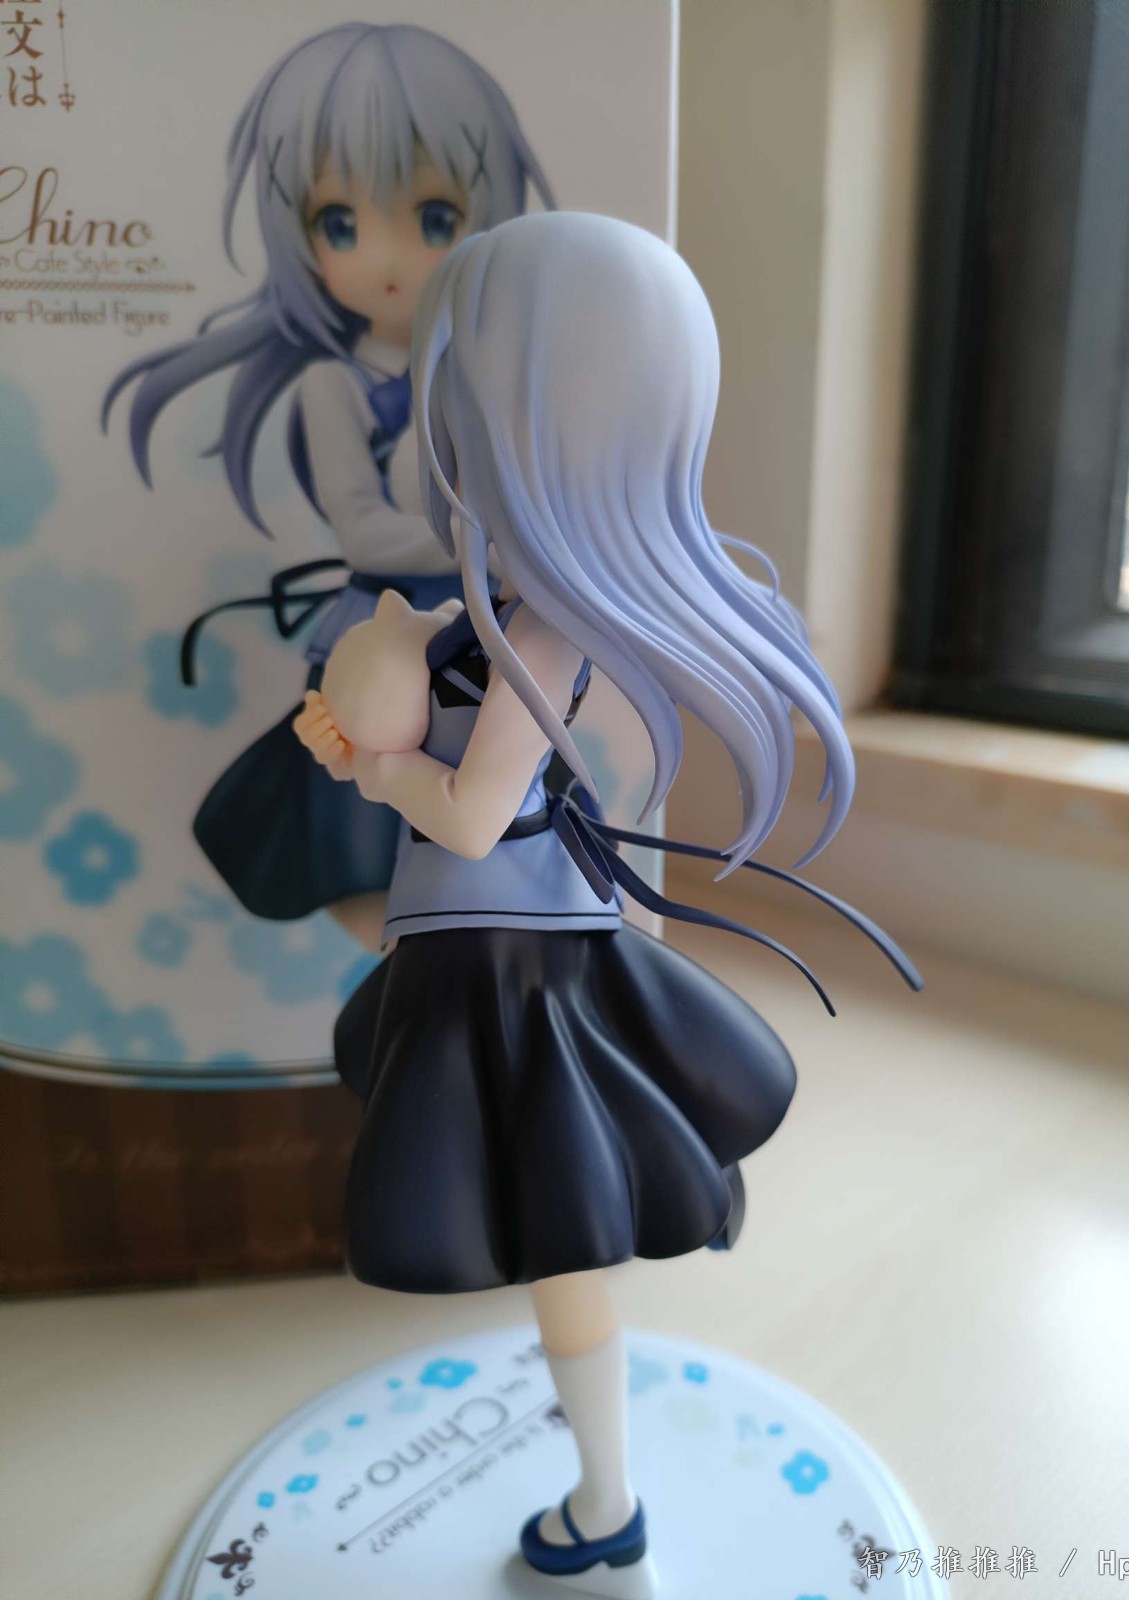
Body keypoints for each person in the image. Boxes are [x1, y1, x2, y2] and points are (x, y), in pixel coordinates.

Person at [295, 211, 920, 1598]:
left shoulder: (541, 628)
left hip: (507, 958)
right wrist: (362, 727)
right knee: (543, 1222)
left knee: (558, 1238)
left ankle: (609, 1501)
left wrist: (384, 771)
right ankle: (605, 1493)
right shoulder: (496, 609)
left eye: (467, 411)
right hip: (484, 942)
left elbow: (470, 816)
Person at [103, 23, 553, 945]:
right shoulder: (335, 384)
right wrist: (483, 540)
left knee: (504, 817)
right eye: (341, 223)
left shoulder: (490, 373)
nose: (388, 259)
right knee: (360, 843)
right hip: (389, 628)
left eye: (435, 218)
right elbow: (361, 530)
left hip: (493, 634)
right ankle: (403, 981)